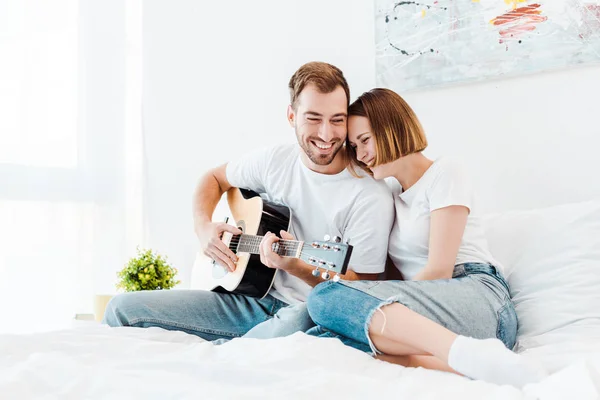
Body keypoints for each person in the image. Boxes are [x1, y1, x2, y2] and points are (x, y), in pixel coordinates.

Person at [102, 62, 395, 341]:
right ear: (292, 116)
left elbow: (360, 289)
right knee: (120, 308)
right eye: (313, 118)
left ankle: (228, 351)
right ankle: (240, 345)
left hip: (303, 311)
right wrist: (203, 227)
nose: (326, 134)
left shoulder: (369, 195)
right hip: (244, 299)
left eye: (337, 120)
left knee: (300, 321)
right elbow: (214, 178)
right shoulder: (275, 161)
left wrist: (296, 267)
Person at [304, 88, 547, 388]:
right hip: (433, 316)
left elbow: (440, 270)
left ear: (392, 127)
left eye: (365, 140)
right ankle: (471, 365)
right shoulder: (388, 196)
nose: (361, 154)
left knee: (324, 298)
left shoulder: (445, 172)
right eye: (354, 147)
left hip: (478, 297)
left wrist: (363, 297)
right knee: (323, 333)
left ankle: (465, 354)